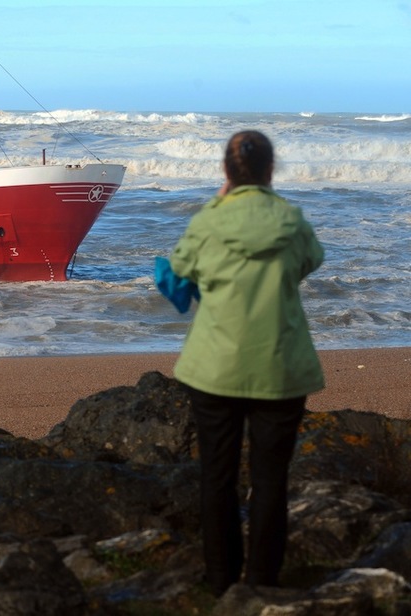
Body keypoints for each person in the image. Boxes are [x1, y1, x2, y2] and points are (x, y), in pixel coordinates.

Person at [162, 130, 325, 594]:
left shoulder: (209, 221)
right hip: (281, 364)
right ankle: (262, 581)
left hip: (215, 367)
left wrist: (219, 204)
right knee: (271, 479)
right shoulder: (291, 220)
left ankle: (220, 583)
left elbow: (179, 269)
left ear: (225, 174)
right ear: (271, 171)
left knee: (217, 477)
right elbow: (310, 261)